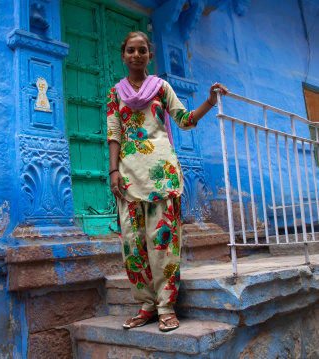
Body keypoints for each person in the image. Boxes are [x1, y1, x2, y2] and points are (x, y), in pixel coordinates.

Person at [107, 31, 228, 332]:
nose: (136, 55)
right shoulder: (115, 93)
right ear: (123, 55)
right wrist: (113, 172)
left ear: (150, 55)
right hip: (129, 178)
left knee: (163, 243)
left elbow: (185, 120)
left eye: (142, 50)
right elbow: (114, 134)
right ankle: (147, 305)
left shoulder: (162, 87)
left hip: (163, 175)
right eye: (131, 50)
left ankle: (166, 306)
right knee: (133, 246)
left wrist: (210, 101)